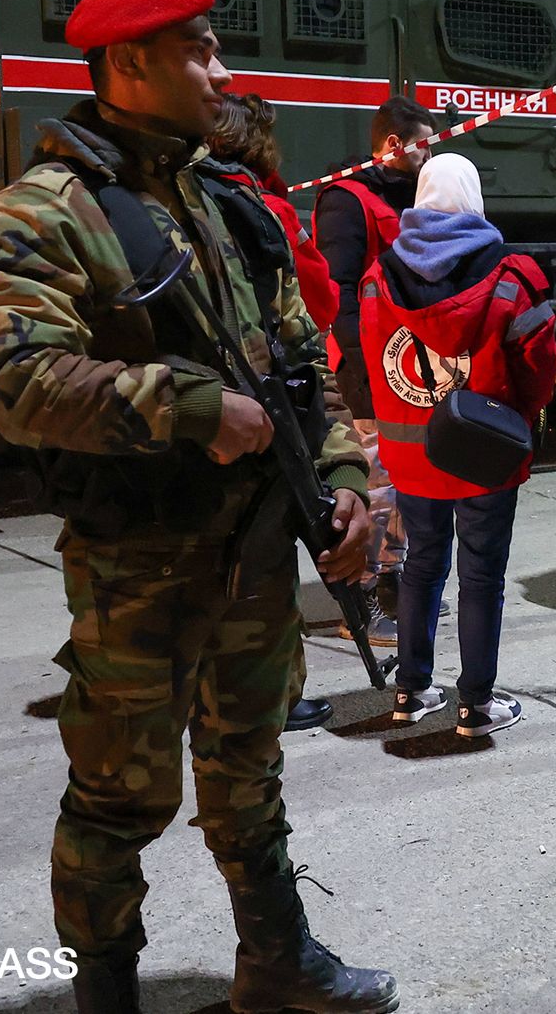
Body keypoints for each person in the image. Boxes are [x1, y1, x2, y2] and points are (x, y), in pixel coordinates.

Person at [0, 0, 397, 1014]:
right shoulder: (42, 215)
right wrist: (190, 408)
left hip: (254, 555)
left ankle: (276, 963)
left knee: (248, 780)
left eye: (214, 48)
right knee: (119, 801)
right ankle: (105, 991)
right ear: (129, 64)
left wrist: (344, 481)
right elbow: (15, 382)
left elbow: (303, 367)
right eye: (199, 51)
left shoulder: (229, 207)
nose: (220, 70)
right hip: (140, 570)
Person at [358, 152, 556, 737]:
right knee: (482, 578)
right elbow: (540, 367)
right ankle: (476, 704)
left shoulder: (377, 276)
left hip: (410, 454)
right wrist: (519, 416)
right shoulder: (511, 274)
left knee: (420, 565)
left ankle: (412, 692)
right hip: (483, 452)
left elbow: (372, 363)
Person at [205, 92, 346, 734]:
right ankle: (279, 696)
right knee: (267, 572)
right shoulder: (260, 207)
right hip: (271, 411)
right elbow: (314, 300)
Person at [313, 96, 439, 640]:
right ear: (395, 145)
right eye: (424, 142)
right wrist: (358, 367)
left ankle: (389, 582)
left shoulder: (408, 197)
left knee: (407, 482)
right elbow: (333, 292)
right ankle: (359, 600)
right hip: (367, 366)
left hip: (408, 366)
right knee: (376, 482)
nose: (431, 153)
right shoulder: (347, 201)